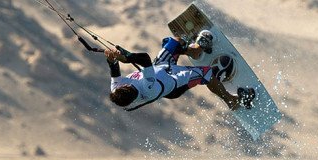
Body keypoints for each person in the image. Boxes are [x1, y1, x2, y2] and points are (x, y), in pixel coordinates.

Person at [105, 30, 255, 111]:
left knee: (174, 41)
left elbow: (114, 70)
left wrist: (112, 59)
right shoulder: (147, 88)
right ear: (128, 87)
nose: (126, 83)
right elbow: (144, 58)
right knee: (207, 73)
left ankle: (195, 51)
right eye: (129, 85)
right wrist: (127, 57)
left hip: (162, 66)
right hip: (176, 81)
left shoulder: (117, 90)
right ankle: (231, 101)